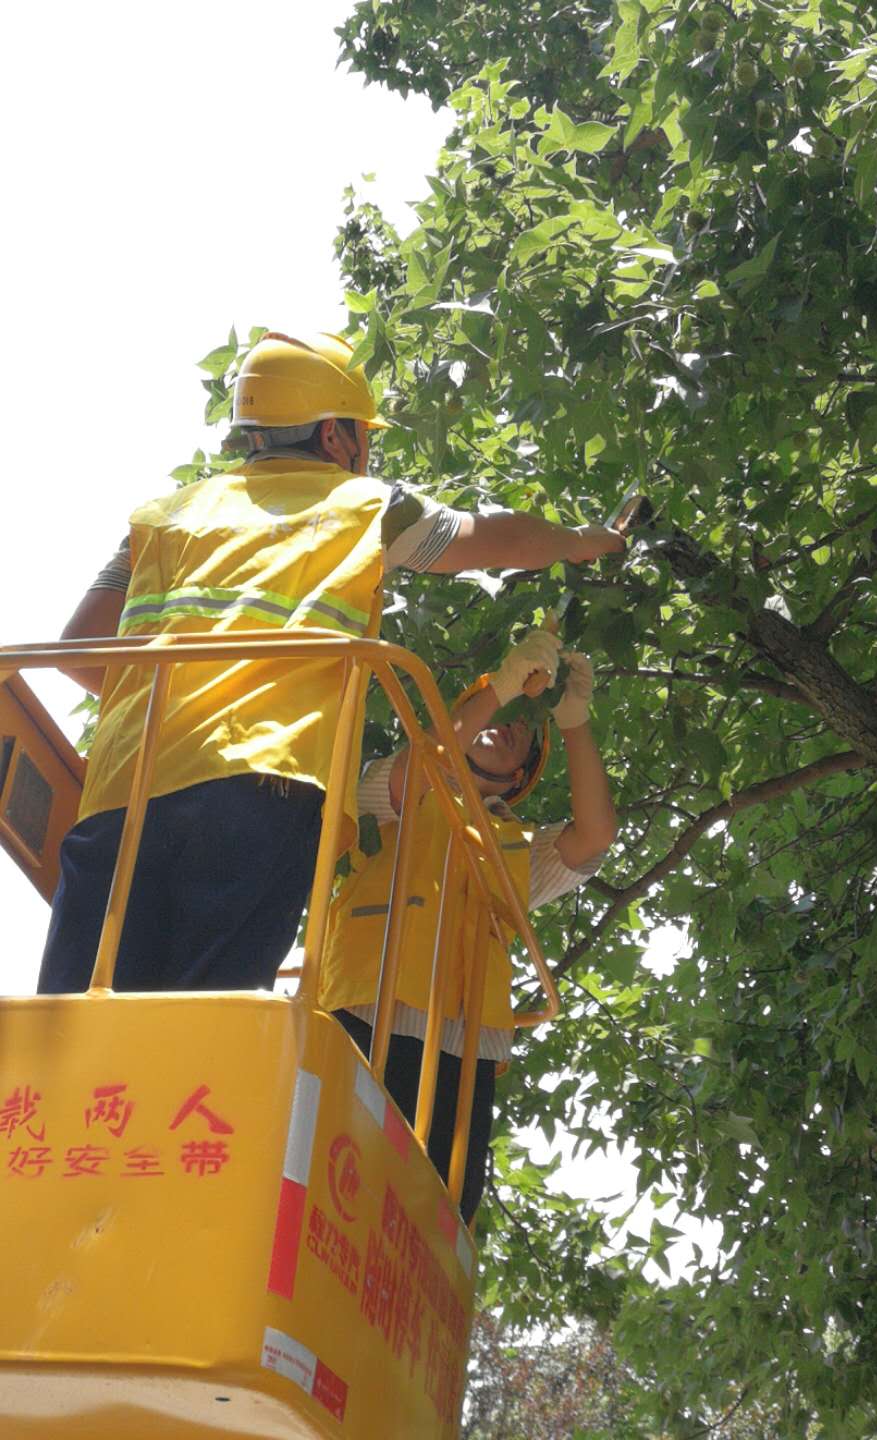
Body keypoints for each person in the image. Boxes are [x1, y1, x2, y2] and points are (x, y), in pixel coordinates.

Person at [39, 332, 624, 997]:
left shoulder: (162, 520)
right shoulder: (362, 505)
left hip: (125, 789)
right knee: (199, 1022)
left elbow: (82, 647)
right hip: (263, 786)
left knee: (79, 1022)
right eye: (361, 436)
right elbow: (497, 538)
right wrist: (582, 542)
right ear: (335, 436)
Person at [319, 628, 618, 1223]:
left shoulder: (519, 846)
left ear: (521, 773)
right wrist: (502, 685)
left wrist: (574, 720)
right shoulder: (399, 786)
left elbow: (595, 837)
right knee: (344, 1172)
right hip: (373, 1006)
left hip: (465, 1037)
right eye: (493, 710)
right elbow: (421, 768)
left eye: (518, 729)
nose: (503, 721)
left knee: (442, 1210)